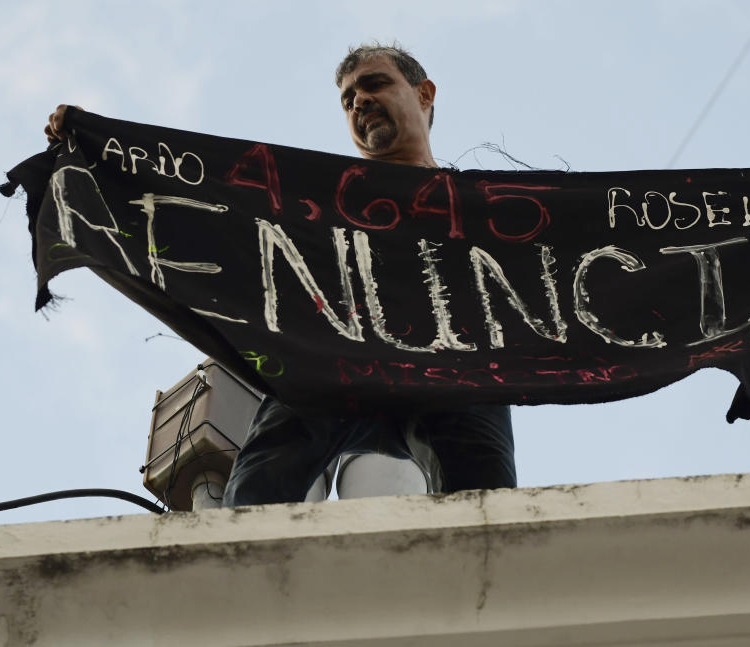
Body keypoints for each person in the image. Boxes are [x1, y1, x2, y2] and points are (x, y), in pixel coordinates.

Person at [45, 44, 518, 506]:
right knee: (260, 496)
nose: (360, 102)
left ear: (424, 93)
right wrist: (98, 147)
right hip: (331, 354)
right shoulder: (312, 205)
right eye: (348, 98)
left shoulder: (481, 210)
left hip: (457, 356)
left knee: (488, 500)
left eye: (375, 84)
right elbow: (199, 202)